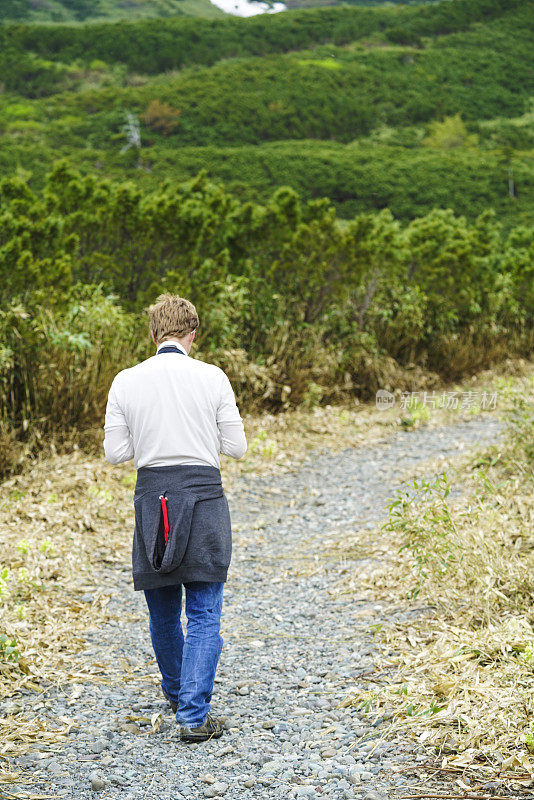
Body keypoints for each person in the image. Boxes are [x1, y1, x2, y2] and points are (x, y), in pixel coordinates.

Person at [103, 294, 247, 742]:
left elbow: (116, 453)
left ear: (152, 334)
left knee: (163, 611)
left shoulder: (126, 380)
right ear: (193, 335)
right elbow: (236, 447)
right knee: (204, 612)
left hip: (153, 500)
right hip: (203, 497)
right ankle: (192, 714)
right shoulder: (213, 376)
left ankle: (177, 692)